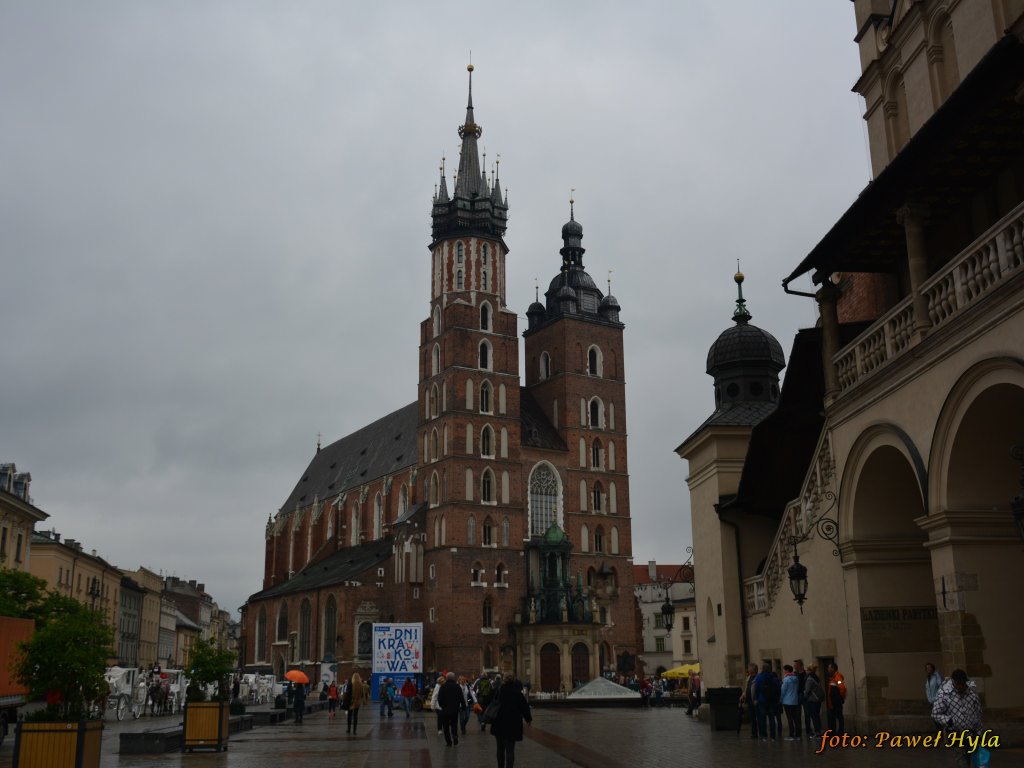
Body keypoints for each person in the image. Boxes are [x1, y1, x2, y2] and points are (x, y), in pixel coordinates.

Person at [931, 668, 982, 768]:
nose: (961, 686)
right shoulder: (944, 694)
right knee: (961, 761)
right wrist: (949, 721)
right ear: (954, 682)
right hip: (956, 733)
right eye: (958, 684)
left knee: (971, 759)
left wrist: (979, 732)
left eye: (963, 684)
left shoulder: (972, 693)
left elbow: (978, 712)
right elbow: (935, 713)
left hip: (972, 733)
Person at [490, 675, 532, 768]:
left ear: (504, 680)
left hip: (499, 724)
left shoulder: (499, 691)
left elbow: (492, 703)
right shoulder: (517, 693)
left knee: (500, 749)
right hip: (512, 725)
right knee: (510, 750)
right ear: (514, 681)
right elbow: (524, 707)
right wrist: (528, 719)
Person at [437, 671, 465, 746]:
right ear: (453, 678)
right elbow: (461, 698)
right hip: (455, 709)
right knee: (454, 724)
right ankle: (455, 736)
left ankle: (448, 741)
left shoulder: (443, 686)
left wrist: (442, 706)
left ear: (446, 678)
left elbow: (439, 698)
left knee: (445, 726)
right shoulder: (457, 686)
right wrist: (463, 707)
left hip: (445, 709)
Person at [753, 663, 778, 741]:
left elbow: (756, 689)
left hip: (762, 700)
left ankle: (764, 736)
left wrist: (756, 698)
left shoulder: (759, 677)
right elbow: (777, 688)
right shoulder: (773, 677)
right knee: (771, 719)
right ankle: (773, 736)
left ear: (762, 669)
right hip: (771, 700)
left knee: (762, 718)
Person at [780, 664, 802, 740]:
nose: (783, 671)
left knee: (790, 719)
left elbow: (783, 691)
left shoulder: (786, 679)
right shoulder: (796, 678)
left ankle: (791, 735)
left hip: (787, 701)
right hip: (795, 701)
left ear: (787, 670)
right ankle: (798, 735)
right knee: (796, 718)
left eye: (784, 670)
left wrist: (780, 699)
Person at [739, 663, 759, 739]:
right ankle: (754, 733)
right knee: (752, 718)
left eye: (749, 668)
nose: (747, 669)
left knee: (758, 717)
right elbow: (747, 688)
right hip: (749, 701)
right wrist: (743, 695)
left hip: (755, 701)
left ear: (752, 670)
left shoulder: (757, 678)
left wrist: (756, 699)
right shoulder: (749, 678)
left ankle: (761, 733)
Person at [825, 662, 846, 735]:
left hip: (836, 700)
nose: (828, 669)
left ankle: (840, 731)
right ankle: (833, 731)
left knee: (839, 716)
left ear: (833, 669)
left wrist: (840, 698)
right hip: (833, 700)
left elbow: (842, 688)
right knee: (833, 716)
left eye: (829, 668)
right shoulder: (833, 677)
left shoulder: (837, 677)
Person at [804, 664, 824, 739]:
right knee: (817, 716)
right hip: (818, 700)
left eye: (807, 670)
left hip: (812, 700)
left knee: (814, 716)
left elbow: (807, 690)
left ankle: (817, 733)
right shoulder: (816, 677)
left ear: (809, 671)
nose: (806, 671)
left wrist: (804, 695)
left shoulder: (809, 679)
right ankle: (819, 731)